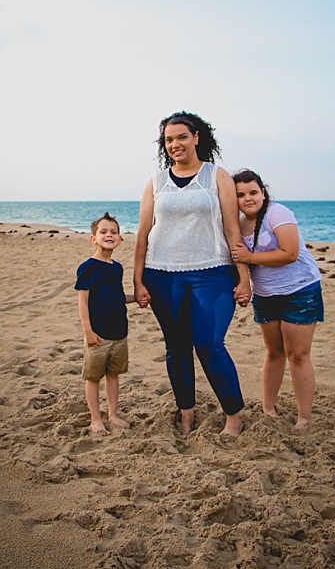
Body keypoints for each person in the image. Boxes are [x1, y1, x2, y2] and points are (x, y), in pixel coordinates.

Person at [133, 111, 251, 437]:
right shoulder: (156, 182)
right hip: (162, 274)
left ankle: (233, 414)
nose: (175, 145)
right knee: (176, 347)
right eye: (169, 140)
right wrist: (138, 280)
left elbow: (231, 229)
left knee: (209, 344)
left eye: (181, 137)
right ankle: (186, 412)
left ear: (196, 137)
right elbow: (143, 233)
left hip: (213, 272)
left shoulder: (218, 176)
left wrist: (244, 277)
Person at [231, 169, 324, 428]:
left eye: (253, 192)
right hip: (266, 295)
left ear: (263, 192)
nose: (248, 198)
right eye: (240, 195)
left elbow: (290, 252)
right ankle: (268, 409)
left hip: (300, 289)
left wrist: (250, 258)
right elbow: (237, 260)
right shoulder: (236, 224)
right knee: (274, 352)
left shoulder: (277, 212)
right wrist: (243, 284)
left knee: (297, 355)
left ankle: (304, 417)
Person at [75, 212, 135, 436]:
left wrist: (137, 298)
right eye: (103, 232)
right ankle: (95, 419)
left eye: (113, 232)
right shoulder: (88, 267)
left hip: (119, 332)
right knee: (93, 377)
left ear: (120, 239)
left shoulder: (116, 267)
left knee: (113, 375)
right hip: (97, 334)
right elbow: (83, 301)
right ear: (93, 238)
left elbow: (117, 296)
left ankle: (112, 414)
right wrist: (88, 331)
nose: (109, 235)